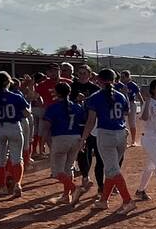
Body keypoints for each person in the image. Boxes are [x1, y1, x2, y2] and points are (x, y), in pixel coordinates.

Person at [80, 68, 134, 213]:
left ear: (99, 80)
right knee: (111, 169)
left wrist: (83, 138)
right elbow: (125, 113)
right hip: (121, 134)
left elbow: (91, 121)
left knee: (112, 169)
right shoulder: (121, 96)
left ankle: (128, 200)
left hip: (106, 135)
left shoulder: (95, 97)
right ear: (115, 80)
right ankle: (103, 201)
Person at [41, 81, 86, 205]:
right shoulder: (77, 107)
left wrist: (42, 142)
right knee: (68, 168)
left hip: (60, 138)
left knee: (57, 171)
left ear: (57, 93)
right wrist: (83, 140)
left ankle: (74, 189)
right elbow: (82, 124)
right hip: (76, 137)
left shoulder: (53, 107)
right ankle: (66, 196)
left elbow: (46, 127)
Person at [71, 63, 103, 194]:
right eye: (80, 73)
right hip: (78, 122)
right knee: (83, 151)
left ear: (90, 75)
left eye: (85, 73)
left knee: (96, 151)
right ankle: (85, 176)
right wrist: (76, 99)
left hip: (93, 124)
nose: (82, 75)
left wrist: (86, 99)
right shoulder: (72, 87)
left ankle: (100, 182)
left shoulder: (95, 88)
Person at [34, 66, 63, 158]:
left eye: (55, 71)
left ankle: (59, 151)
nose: (53, 73)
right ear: (47, 73)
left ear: (59, 71)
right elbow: (35, 95)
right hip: (48, 112)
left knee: (62, 132)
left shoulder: (67, 82)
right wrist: (40, 103)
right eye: (51, 71)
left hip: (63, 112)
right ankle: (52, 150)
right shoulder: (42, 84)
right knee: (47, 133)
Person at [116, 71, 143, 147]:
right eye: (121, 77)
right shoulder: (118, 85)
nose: (121, 79)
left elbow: (138, 95)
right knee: (123, 123)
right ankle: (125, 141)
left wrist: (142, 104)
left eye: (123, 77)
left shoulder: (133, 85)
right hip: (121, 105)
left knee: (132, 123)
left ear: (128, 77)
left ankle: (133, 141)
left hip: (131, 104)